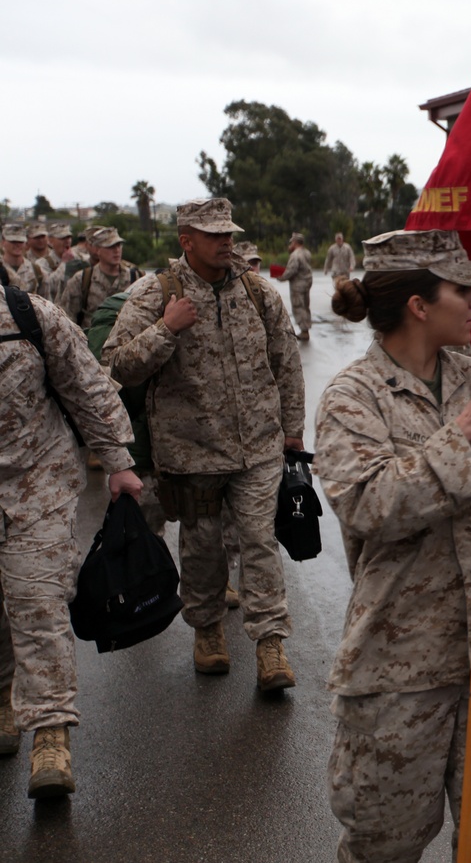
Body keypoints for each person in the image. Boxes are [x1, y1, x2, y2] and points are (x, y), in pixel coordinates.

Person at [315, 229, 471, 863]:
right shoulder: (352, 397)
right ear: (419, 304)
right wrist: (465, 429)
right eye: (459, 288)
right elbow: (368, 505)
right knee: (385, 843)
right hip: (401, 663)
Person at [105, 198, 305, 690]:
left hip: (257, 447)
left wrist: (293, 431)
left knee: (261, 540)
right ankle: (209, 629)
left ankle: (270, 643)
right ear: (186, 240)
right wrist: (166, 329)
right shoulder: (156, 293)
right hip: (191, 453)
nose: (225, 242)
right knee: (203, 548)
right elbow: (116, 365)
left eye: (229, 233)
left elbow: (287, 362)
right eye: (213, 234)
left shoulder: (258, 291)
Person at [0, 263, 143, 799]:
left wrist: (117, 461)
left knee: (38, 603)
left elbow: (87, 387)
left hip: (37, 482)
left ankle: (50, 736)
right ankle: (3, 701)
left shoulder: (29, 315)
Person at [60, 227, 143, 329]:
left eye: (119, 245)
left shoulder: (136, 277)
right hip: (92, 341)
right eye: (110, 247)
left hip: (126, 341)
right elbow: (68, 317)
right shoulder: (82, 279)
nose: (116, 251)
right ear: (98, 250)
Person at [276, 232, 313, 341]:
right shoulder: (307, 253)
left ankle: (304, 330)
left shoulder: (295, 255)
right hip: (307, 282)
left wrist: (281, 277)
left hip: (298, 285)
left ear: (295, 242)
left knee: (298, 306)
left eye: (291, 242)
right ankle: (306, 328)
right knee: (306, 306)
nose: (290, 245)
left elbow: (291, 270)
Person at [2, 224, 48, 296]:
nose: (17, 245)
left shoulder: (37, 272)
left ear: (26, 243)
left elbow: (46, 303)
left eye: (21, 241)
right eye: (13, 241)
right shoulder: (1, 267)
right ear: (3, 242)